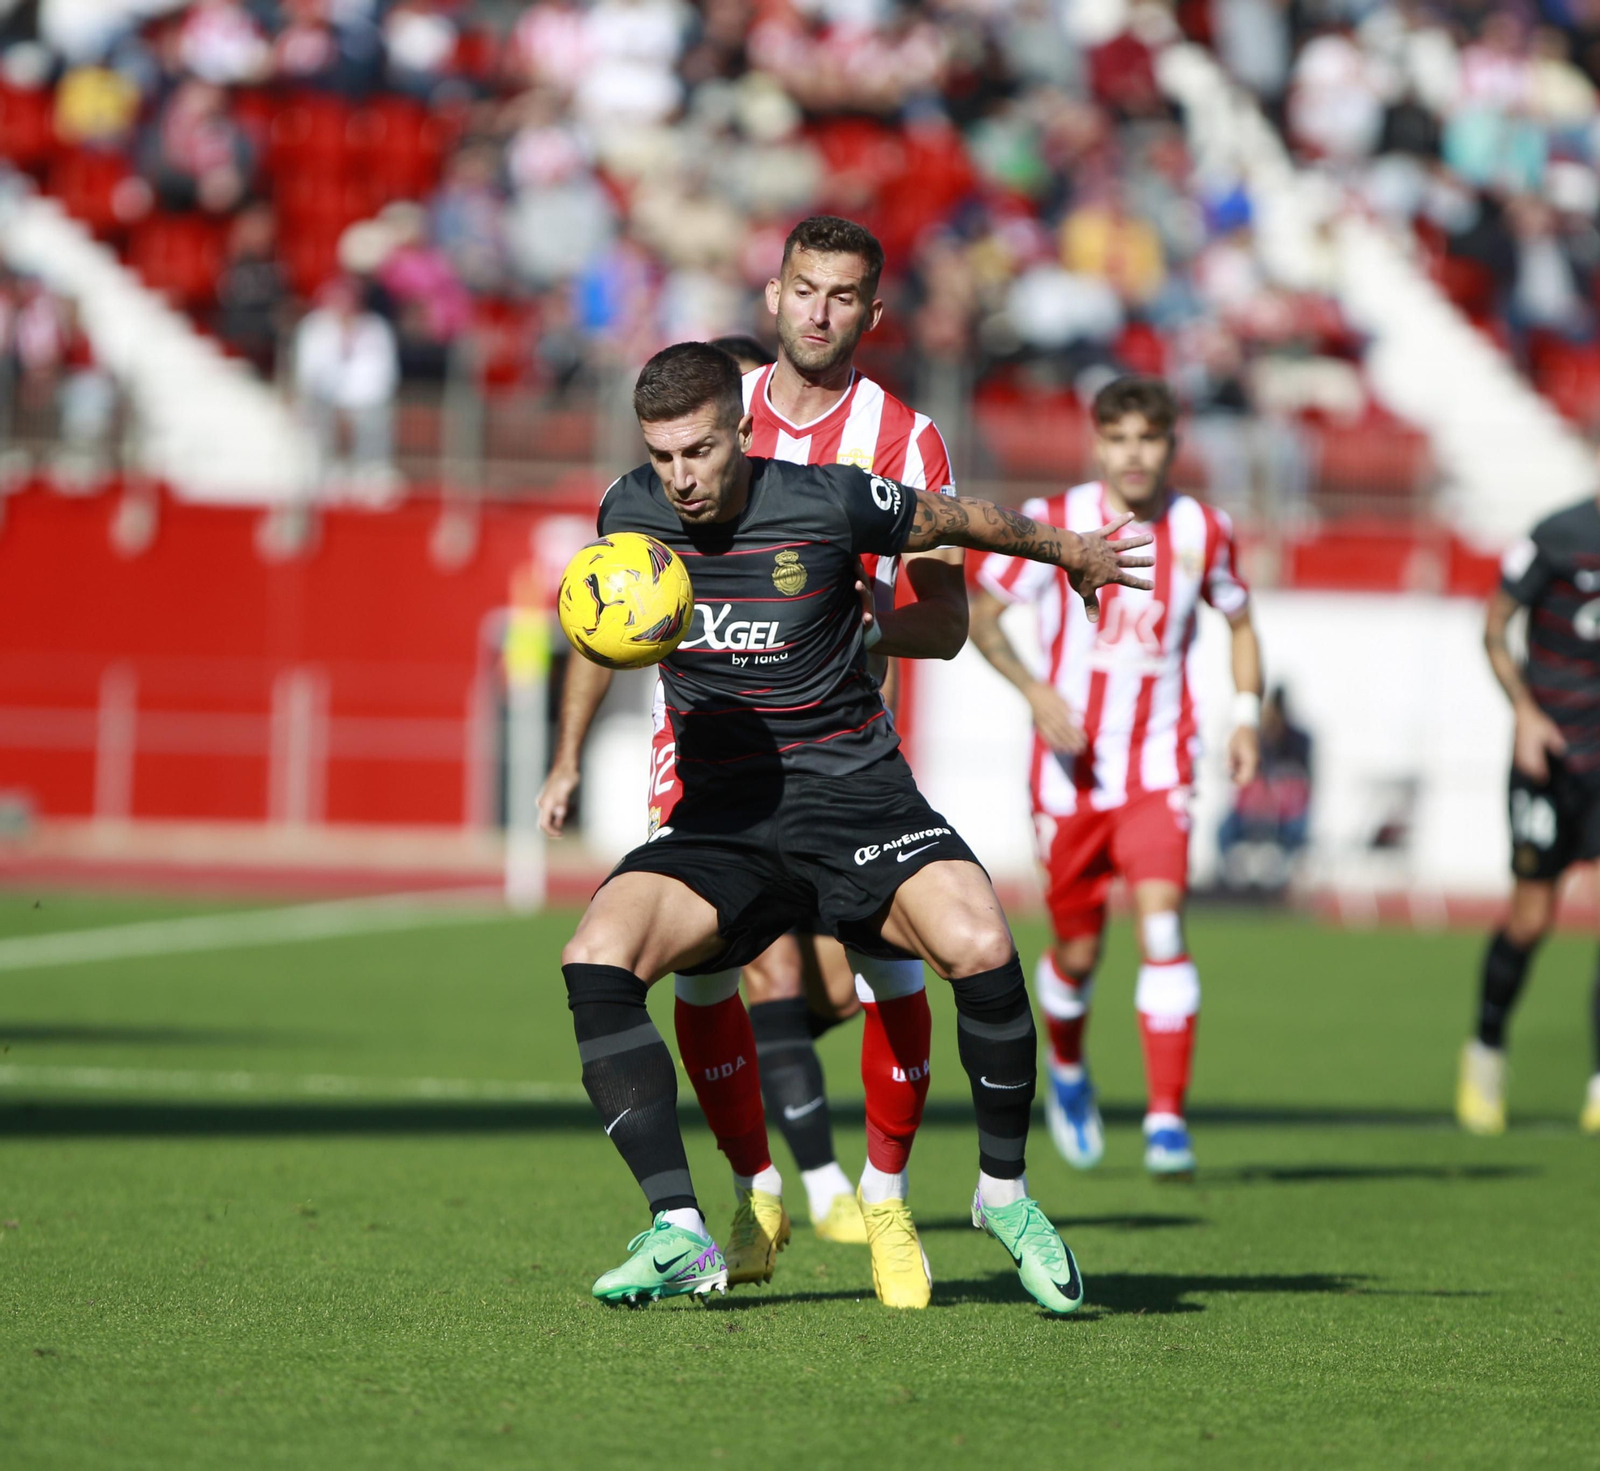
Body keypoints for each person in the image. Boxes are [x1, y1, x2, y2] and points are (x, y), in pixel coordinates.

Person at [562, 340, 1152, 1311]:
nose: (681, 477)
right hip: (725, 820)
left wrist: (1073, 551)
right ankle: (678, 1224)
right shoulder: (627, 516)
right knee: (595, 955)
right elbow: (597, 619)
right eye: (663, 456)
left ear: (742, 429)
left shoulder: (827, 498)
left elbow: (954, 518)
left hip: (855, 800)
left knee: (978, 940)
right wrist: (571, 742)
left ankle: (1001, 1195)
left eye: (700, 450)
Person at [540, 218, 969, 1246]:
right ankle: (769, 1189)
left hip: (842, 754)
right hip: (704, 754)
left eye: (842, 295)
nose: (819, 312)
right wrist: (565, 755)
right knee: (720, 972)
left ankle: (881, 1193)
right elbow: (618, 600)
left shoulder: (906, 442)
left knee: (864, 974)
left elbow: (944, 625)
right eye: (802, 290)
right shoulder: (712, 425)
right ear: (774, 296)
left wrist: (869, 626)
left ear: (871, 311)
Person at [968, 375, 1262, 1179]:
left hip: (1159, 766)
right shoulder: (1056, 520)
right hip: (1069, 776)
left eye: (1151, 438)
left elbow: (1239, 619)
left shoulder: (1204, 529)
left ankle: (1167, 1119)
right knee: (1078, 950)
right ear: (1099, 443)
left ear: (1172, 444)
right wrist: (1034, 690)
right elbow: (983, 612)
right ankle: (1066, 1067)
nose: (1136, 453)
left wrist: (1244, 712)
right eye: (1121, 438)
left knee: (1163, 922)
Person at [1459, 496, 1600, 1136]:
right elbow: (1496, 628)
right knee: (1532, 918)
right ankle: (1486, 1050)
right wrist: (1525, 712)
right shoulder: (1557, 534)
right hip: (1550, 758)